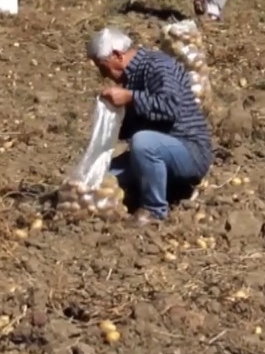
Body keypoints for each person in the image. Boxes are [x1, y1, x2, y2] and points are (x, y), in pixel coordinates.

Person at [86, 27, 213, 225]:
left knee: (143, 142)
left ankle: (154, 210)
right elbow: (132, 127)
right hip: (158, 151)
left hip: (189, 150)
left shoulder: (158, 65)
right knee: (98, 177)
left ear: (117, 56)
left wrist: (130, 97)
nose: (104, 75)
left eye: (103, 68)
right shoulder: (131, 79)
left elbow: (170, 107)